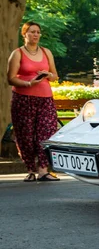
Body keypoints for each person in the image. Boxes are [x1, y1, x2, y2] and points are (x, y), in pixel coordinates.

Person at [6, 21, 60, 182]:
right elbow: (11, 79)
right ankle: (30, 169)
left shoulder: (46, 52)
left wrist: (48, 75)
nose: (36, 35)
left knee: (46, 133)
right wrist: (29, 83)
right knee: (26, 136)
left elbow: (55, 75)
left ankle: (43, 170)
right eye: (32, 32)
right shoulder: (17, 54)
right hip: (23, 100)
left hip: (45, 99)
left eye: (38, 32)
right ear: (24, 34)